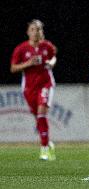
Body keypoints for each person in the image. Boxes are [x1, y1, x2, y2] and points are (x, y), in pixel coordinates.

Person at [10, 19, 57, 161]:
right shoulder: (21, 49)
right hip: (29, 88)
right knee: (38, 116)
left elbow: (53, 56)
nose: (36, 32)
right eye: (33, 29)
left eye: (39, 29)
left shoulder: (47, 46)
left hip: (46, 84)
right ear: (28, 32)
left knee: (42, 112)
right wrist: (28, 63)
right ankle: (48, 143)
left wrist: (51, 62)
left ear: (42, 32)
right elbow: (13, 68)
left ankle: (44, 150)